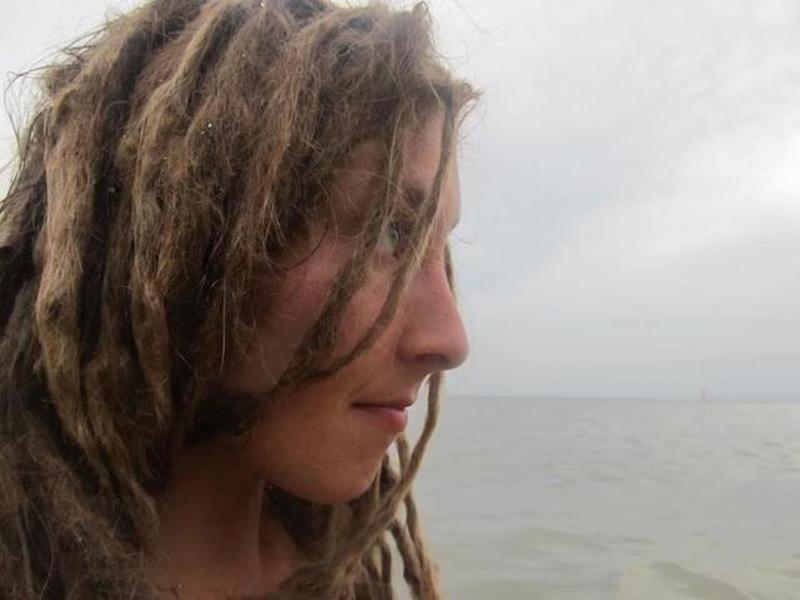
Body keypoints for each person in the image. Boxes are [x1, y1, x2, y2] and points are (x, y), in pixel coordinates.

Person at [0, 0, 476, 597]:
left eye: (438, 249)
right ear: (183, 237)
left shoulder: (344, 575)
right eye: (389, 234)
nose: (451, 341)